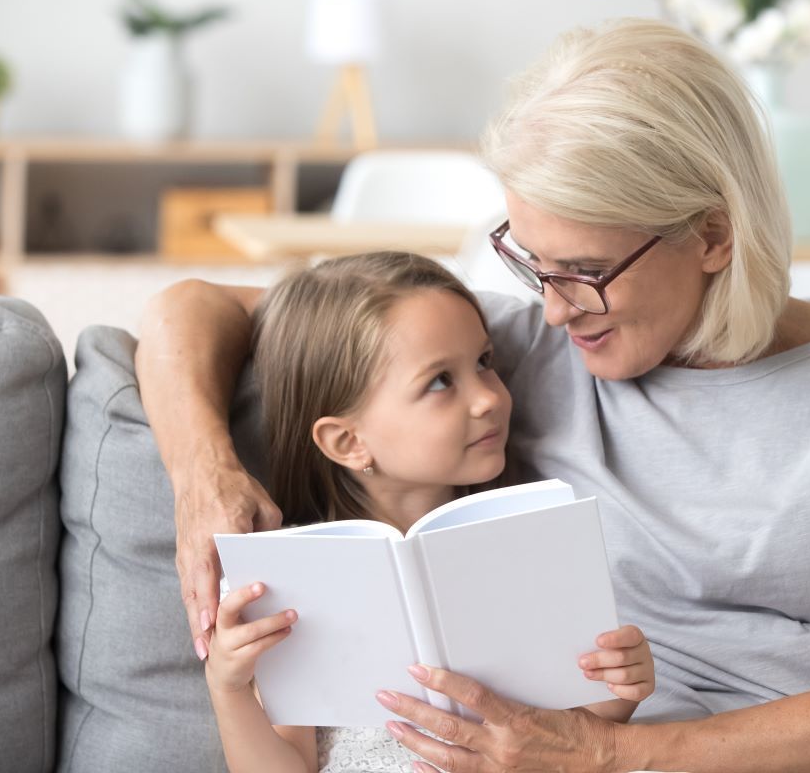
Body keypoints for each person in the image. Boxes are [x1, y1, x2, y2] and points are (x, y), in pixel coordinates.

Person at [136, 19, 810, 772]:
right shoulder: (508, 358)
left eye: (584, 271)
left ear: (711, 235)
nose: (550, 308)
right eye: (530, 262)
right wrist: (201, 470)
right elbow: (190, 308)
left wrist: (609, 757)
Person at [196, 252, 655, 772]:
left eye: (484, 362)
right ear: (348, 441)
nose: (487, 398)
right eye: (440, 381)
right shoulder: (295, 579)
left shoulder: (527, 541)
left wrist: (621, 687)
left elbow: (576, 733)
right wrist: (229, 688)